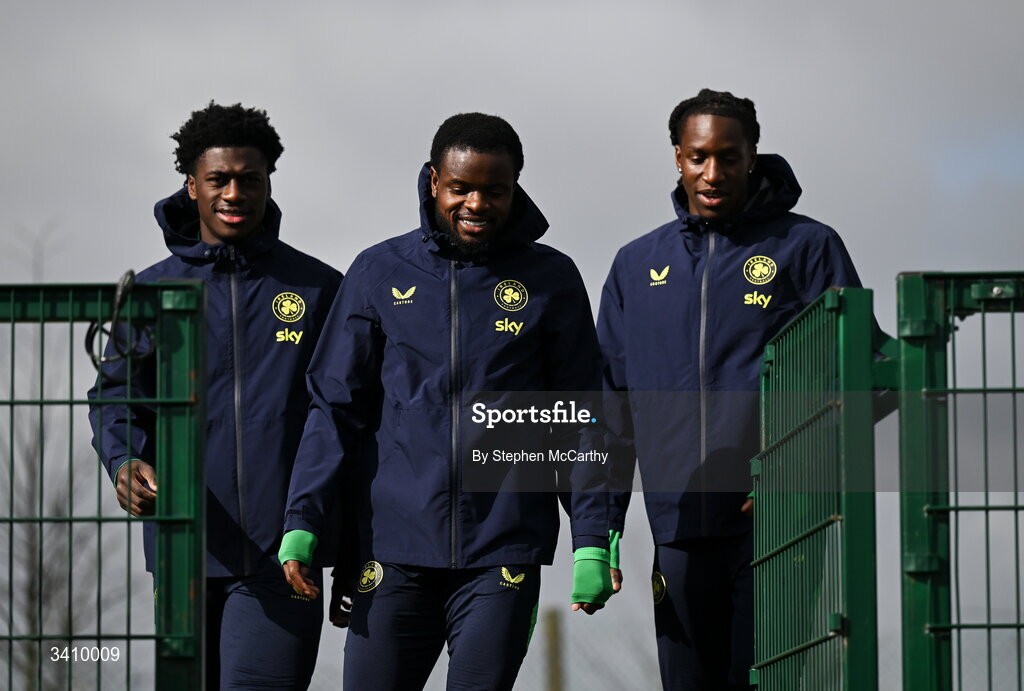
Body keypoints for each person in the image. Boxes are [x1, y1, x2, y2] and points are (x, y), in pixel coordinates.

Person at [278, 112, 616, 691]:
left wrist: (592, 537)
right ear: (435, 181)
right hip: (392, 549)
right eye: (461, 188)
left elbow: (582, 421)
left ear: (516, 188)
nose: (476, 203)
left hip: (502, 549)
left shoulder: (553, 278)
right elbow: (334, 409)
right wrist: (304, 519)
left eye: (494, 190)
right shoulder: (378, 271)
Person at [597, 89, 864, 690]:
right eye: (698, 157)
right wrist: (598, 532)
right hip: (679, 523)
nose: (712, 173)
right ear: (677, 158)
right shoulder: (635, 264)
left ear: (752, 157)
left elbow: (866, 375)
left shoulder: (809, 247)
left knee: (765, 682)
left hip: (776, 521)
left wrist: (796, 466)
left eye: (728, 156)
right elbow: (609, 407)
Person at [87, 102, 342, 690]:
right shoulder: (151, 290)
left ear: (268, 184)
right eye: (218, 179)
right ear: (191, 185)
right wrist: (124, 459)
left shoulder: (320, 288)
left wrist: (346, 546)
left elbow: (343, 418)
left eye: (248, 179)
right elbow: (114, 396)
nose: (234, 192)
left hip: (285, 552)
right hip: (182, 548)